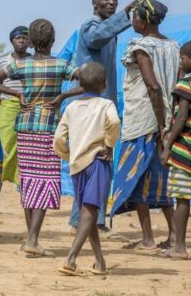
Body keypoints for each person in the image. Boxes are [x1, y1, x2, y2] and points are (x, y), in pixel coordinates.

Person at [0, 19, 81, 257]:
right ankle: (33, 239)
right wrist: (63, 96)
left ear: (32, 41)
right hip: (48, 129)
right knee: (45, 182)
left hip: (25, 128)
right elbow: (90, 80)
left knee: (28, 182)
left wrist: (16, 93)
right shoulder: (62, 65)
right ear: (52, 40)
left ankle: (31, 237)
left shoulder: (22, 65)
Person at [69, 0, 157, 234]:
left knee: (101, 162)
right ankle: (83, 220)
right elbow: (96, 38)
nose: (111, 3)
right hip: (88, 107)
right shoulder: (91, 26)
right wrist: (127, 10)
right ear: (94, 2)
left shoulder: (110, 29)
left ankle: (89, 219)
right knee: (88, 163)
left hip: (103, 104)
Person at [110, 0, 177, 250]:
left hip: (144, 120)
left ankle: (148, 238)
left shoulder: (140, 46)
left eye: (135, 17)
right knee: (162, 179)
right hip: (166, 120)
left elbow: (153, 86)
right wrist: (167, 125)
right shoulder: (172, 46)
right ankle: (173, 235)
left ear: (144, 19)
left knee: (136, 177)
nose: (132, 21)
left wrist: (159, 124)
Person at [54, 62, 120, 276]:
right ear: (105, 83)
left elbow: (58, 139)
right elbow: (114, 122)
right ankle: (71, 258)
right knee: (89, 211)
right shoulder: (106, 104)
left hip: (77, 166)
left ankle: (99, 261)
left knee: (87, 211)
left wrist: (68, 155)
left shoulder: (71, 107)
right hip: (97, 162)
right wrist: (109, 144)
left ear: (80, 84)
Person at [161, 41, 191, 260]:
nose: (180, 62)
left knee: (182, 198)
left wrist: (168, 145)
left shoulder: (186, 83)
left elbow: (181, 117)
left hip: (184, 150)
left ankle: (179, 247)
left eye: (182, 58)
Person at [0, 26, 30, 185]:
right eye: (18, 38)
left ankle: (19, 180)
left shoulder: (33, 61)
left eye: (25, 38)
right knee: (5, 143)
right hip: (8, 106)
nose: (22, 41)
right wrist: (1, 106)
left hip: (27, 107)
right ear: (12, 41)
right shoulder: (3, 62)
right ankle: (2, 177)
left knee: (24, 145)